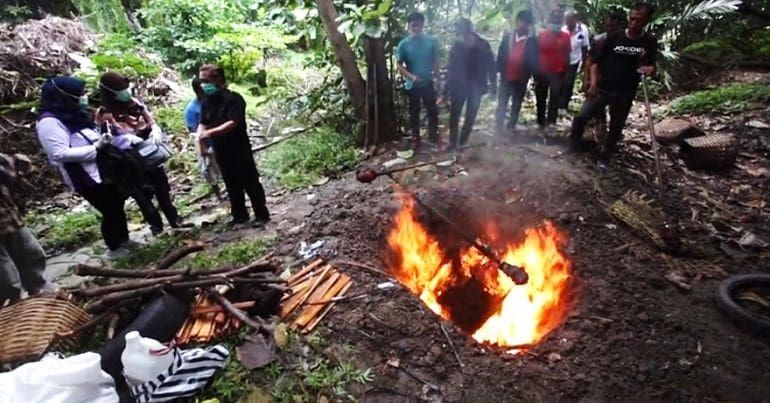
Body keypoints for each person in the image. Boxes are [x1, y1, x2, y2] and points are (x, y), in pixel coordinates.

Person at [36, 76, 133, 258]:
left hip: (101, 166)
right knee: (108, 208)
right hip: (83, 174)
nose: (84, 97)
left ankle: (125, 240)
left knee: (117, 202)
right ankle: (114, 247)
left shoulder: (73, 113)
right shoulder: (48, 122)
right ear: (64, 96)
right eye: (80, 94)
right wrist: (95, 148)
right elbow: (58, 153)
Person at [97, 71, 189, 234]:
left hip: (149, 151)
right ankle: (156, 226)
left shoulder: (134, 103)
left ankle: (175, 220)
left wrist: (155, 130)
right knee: (142, 195)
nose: (126, 92)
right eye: (121, 89)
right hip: (128, 160)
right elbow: (106, 140)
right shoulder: (104, 114)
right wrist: (126, 139)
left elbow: (149, 120)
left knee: (162, 188)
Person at [569, 2, 658, 168]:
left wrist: (649, 69)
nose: (634, 23)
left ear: (647, 21)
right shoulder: (614, 37)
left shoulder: (649, 41)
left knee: (616, 127)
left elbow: (652, 65)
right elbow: (595, 62)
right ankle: (574, 145)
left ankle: (605, 156)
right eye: (632, 18)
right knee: (582, 116)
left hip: (626, 92)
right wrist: (593, 83)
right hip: (603, 89)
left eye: (639, 20)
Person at [197, 64, 270, 226]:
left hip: (239, 148)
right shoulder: (206, 102)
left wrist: (210, 133)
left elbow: (232, 123)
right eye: (201, 81)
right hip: (220, 149)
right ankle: (239, 215)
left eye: (206, 81)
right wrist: (200, 135)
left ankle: (261, 214)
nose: (203, 85)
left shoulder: (234, 99)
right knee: (231, 183)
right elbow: (203, 122)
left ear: (218, 80)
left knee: (250, 181)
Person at [0, 153, 54, 302]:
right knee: (6, 277)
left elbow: (15, 170)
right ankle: (14, 308)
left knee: (32, 256)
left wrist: (15, 163)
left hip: (9, 218)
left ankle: (46, 297)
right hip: (8, 218)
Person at [444, 18, 495, 151]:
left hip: (477, 86)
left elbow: (492, 66)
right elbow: (451, 68)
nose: (461, 36)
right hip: (458, 86)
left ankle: (463, 141)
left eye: (463, 32)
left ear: (470, 30)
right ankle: (452, 142)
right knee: (454, 114)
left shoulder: (484, 45)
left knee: (470, 115)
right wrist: (445, 90)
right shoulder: (457, 46)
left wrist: (493, 85)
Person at [397, 12, 439, 150]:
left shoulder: (431, 41)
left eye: (418, 25)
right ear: (409, 26)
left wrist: (437, 79)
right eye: (413, 25)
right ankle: (416, 138)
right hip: (412, 85)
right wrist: (411, 76)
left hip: (428, 82)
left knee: (432, 110)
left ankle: (433, 137)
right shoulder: (403, 45)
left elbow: (435, 62)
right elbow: (399, 65)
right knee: (414, 113)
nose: (416, 28)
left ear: (422, 25)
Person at [495, 9, 539, 137]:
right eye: (521, 22)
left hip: (521, 77)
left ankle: (511, 126)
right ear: (517, 22)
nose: (523, 25)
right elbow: (501, 55)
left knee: (516, 103)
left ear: (529, 25)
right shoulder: (507, 37)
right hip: (506, 75)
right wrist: (498, 70)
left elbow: (534, 60)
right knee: (502, 102)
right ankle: (498, 127)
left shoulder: (532, 41)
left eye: (526, 23)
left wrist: (533, 76)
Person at [184, 77, 222, 200]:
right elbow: (193, 131)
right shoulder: (192, 109)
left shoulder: (214, 101)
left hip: (220, 140)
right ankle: (219, 196)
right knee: (210, 171)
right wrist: (202, 147)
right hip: (207, 144)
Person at [535, 9, 571, 130]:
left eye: (559, 18)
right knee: (541, 97)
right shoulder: (541, 34)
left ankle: (551, 121)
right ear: (551, 19)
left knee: (555, 97)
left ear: (562, 21)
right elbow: (535, 53)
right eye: (555, 17)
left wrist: (567, 73)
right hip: (542, 71)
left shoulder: (566, 36)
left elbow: (567, 55)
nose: (557, 20)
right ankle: (540, 121)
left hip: (557, 72)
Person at [559, 10, 590, 114]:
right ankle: (557, 104)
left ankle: (563, 106)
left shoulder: (583, 29)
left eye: (570, 19)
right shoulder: (563, 30)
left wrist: (584, 63)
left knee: (568, 82)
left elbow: (584, 47)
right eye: (566, 20)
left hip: (574, 60)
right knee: (560, 82)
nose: (568, 22)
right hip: (562, 60)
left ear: (575, 19)